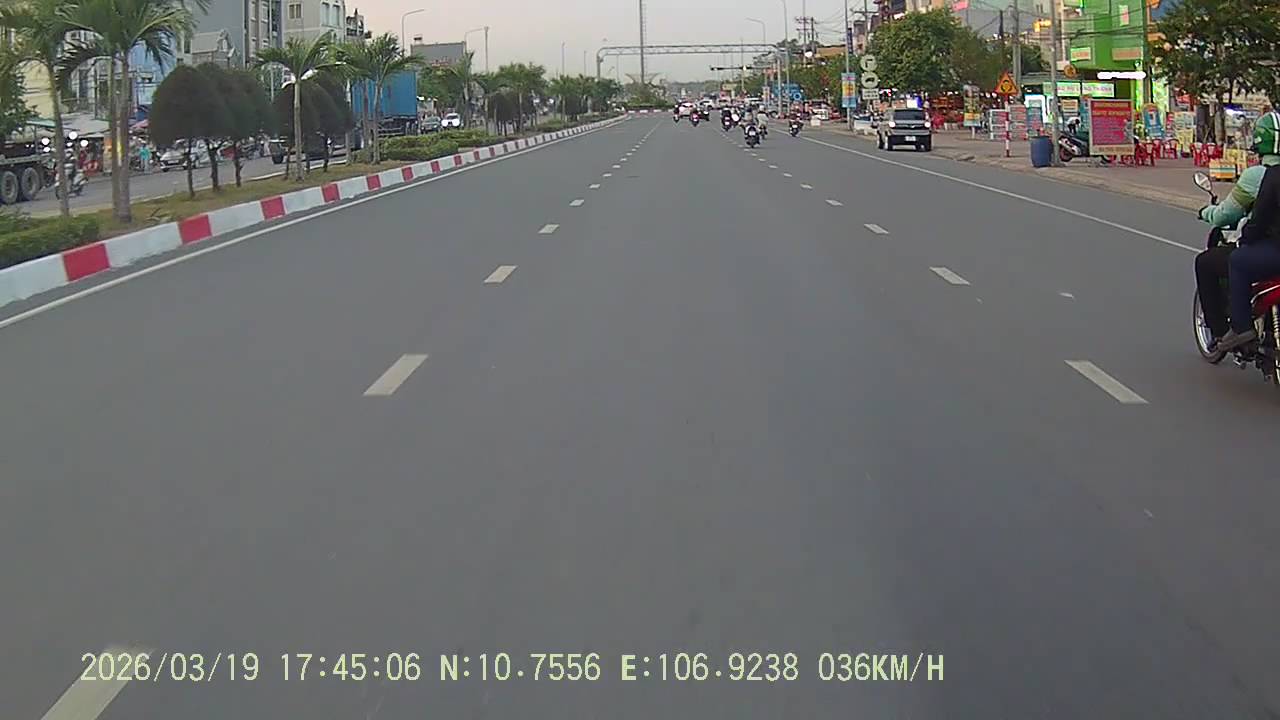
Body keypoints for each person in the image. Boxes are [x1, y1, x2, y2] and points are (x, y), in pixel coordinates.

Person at [1215, 111, 1280, 352]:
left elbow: (1259, 220)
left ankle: (1242, 328)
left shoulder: (1271, 175)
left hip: (1275, 251)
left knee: (1239, 260)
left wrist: (1245, 239)